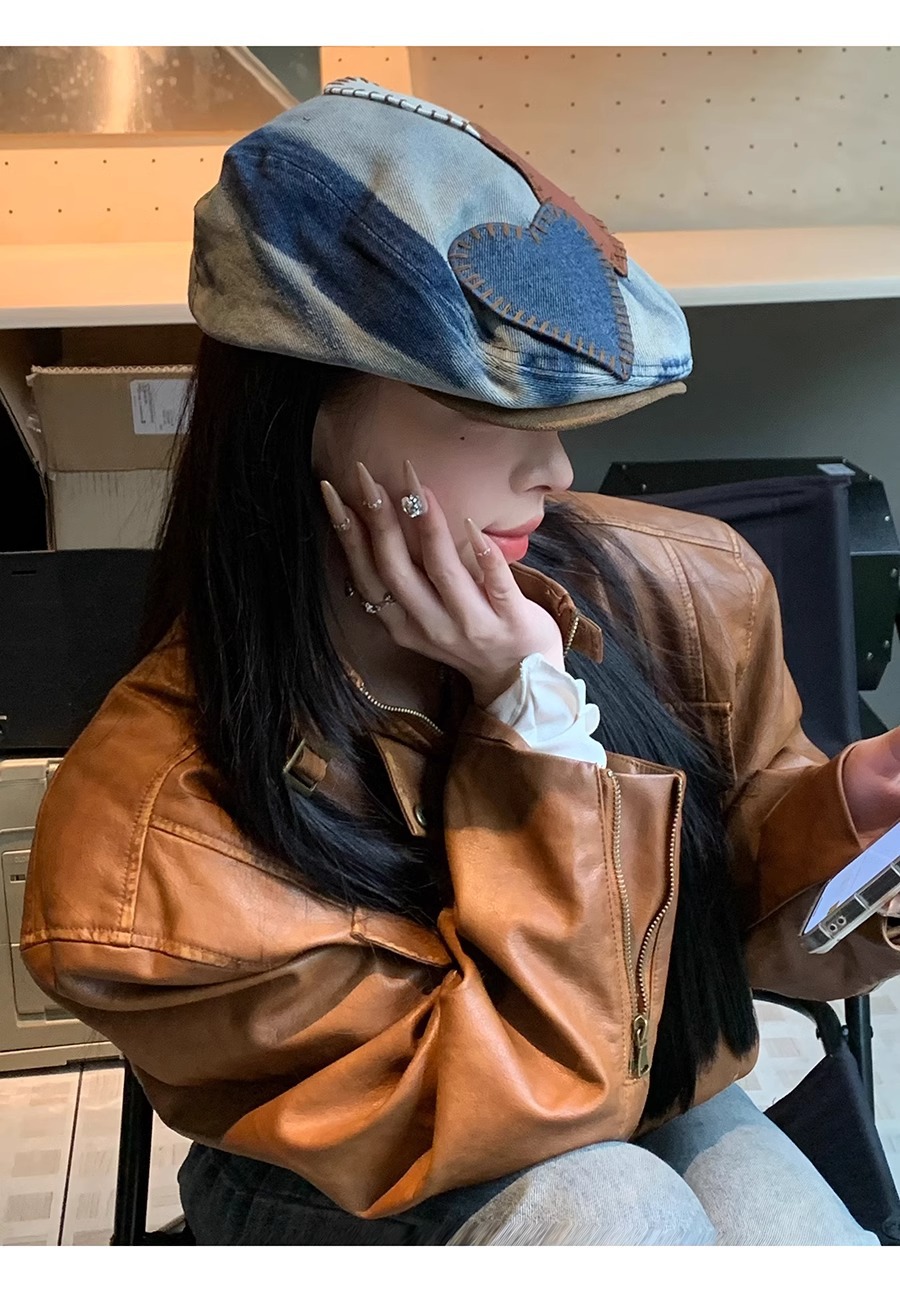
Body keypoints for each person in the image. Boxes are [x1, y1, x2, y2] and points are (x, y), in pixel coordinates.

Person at [21, 78, 900, 1246]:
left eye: (558, 422)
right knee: (618, 1207)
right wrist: (532, 722)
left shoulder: (682, 586)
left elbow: (705, 935)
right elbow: (532, 1097)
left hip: (640, 1074)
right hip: (358, 1168)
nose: (555, 473)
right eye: (486, 417)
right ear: (298, 421)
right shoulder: (148, 844)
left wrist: (854, 816)